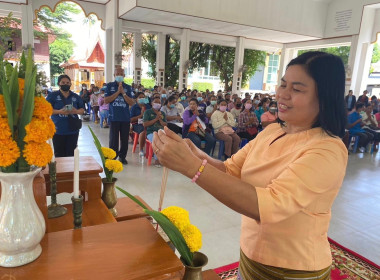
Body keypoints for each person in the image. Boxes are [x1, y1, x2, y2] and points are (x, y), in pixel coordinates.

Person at [152, 51, 348, 279]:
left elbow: (269, 206)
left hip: (294, 267)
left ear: (324, 97)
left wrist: (192, 168)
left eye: (297, 89)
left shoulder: (327, 150)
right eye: (283, 85)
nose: (282, 94)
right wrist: (195, 154)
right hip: (251, 253)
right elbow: (230, 169)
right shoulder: (273, 131)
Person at [47, 74, 85, 157]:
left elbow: (82, 110)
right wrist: (60, 111)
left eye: (67, 83)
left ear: (70, 84)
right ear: (59, 84)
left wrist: (76, 111)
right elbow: (47, 110)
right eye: (63, 82)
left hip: (73, 130)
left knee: (71, 154)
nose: (65, 84)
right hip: (57, 130)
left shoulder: (75, 96)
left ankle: (71, 170)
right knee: (59, 154)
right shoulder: (52, 96)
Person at [105, 66, 135, 165]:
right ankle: (113, 156)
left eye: (121, 74)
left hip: (125, 118)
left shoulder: (128, 87)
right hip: (114, 117)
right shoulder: (109, 86)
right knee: (113, 139)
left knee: (124, 139)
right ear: (114, 75)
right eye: (117, 74)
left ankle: (122, 157)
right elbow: (106, 100)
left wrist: (123, 93)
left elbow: (131, 102)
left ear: (124, 75)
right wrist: (118, 92)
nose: (119, 76)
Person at [143, 97, 167, 167]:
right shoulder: (147, 112)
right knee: (156, 140)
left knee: (169, 141)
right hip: (151, 132)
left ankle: (166, 159)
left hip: (161, 132)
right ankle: (157, 159)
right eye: (156, 102)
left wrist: (160, 119)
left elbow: (165, 125)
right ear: (152, 103)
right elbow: (145, 124)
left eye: (159, 103)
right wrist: (156, 119)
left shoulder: (162, 113)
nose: (158, 104)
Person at [130, 92, 150, 157]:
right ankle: (141, 150)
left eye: (143, 97)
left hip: (148, 124)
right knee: (143, 131)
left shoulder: (148, 106)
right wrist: (141, 115)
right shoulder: (134, 107)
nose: (142, 99)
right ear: (136, 99)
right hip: (137, 124)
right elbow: (131, 119)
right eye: (140, 97)